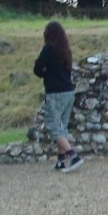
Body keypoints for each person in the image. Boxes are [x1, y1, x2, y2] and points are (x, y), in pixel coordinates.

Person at [33, 21, 83, 172]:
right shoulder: (66, 50)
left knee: (53, 127)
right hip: (68, 92)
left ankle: (73, 156)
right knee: (62, 126)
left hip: (55, 93)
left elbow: (37, 69)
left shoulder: (48, 49)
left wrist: (45, 73)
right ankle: (61, 161)